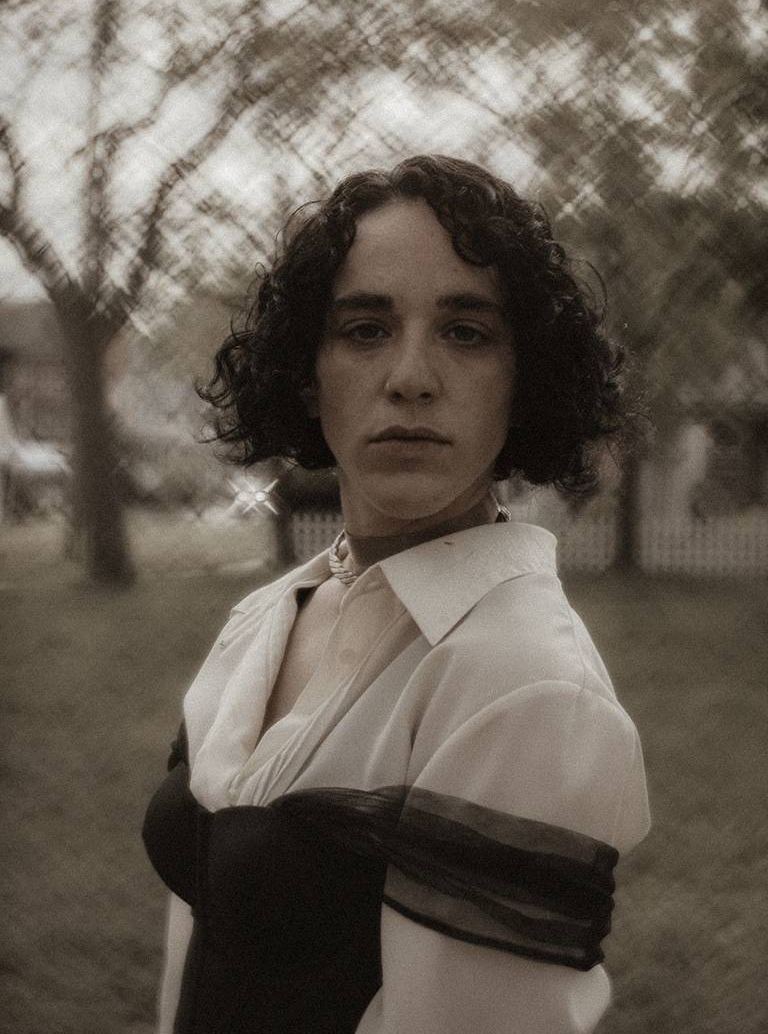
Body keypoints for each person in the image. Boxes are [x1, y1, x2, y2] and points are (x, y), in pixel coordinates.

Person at [143, 154, 650, 1034]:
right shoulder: (262, 618)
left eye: (467, 332)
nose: (411, 375)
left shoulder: (527, 687)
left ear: (523, 381)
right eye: (366, 328)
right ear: (308, 373)